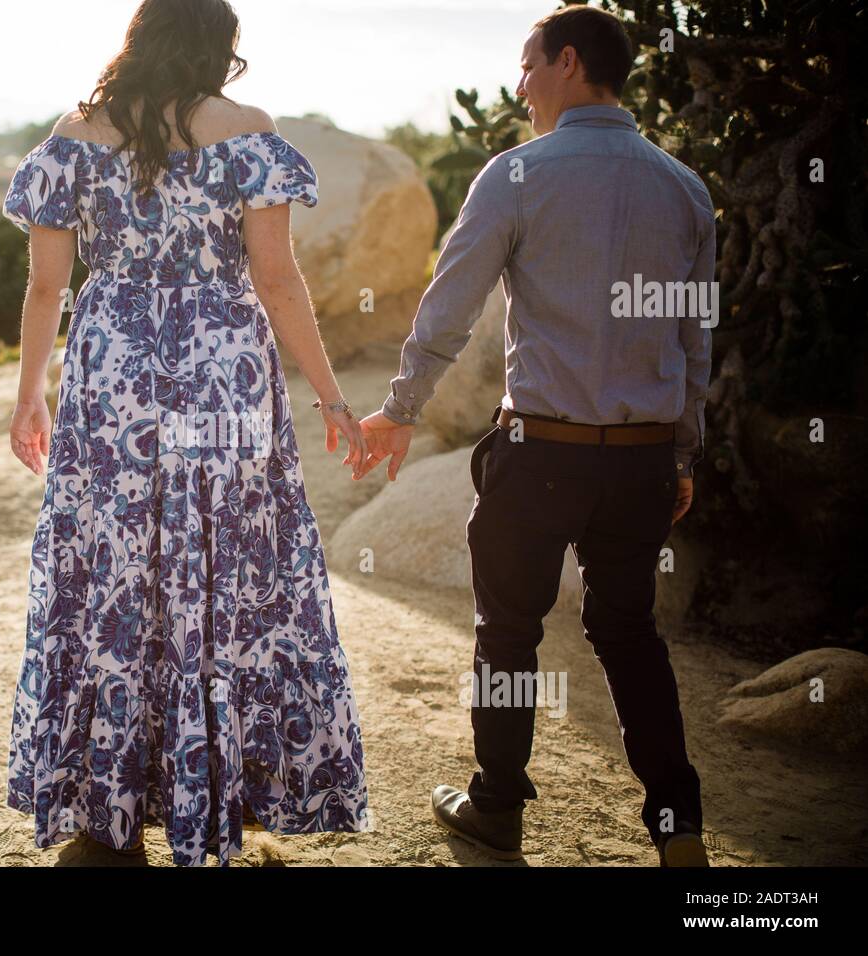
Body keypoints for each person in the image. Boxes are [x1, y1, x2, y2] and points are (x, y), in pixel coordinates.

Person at [2, 0, 370, 867]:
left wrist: (29, 395)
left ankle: (109, 811)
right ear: (219, 43)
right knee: (224, 567)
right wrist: (330, 396)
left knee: (116, 570)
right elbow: (277, 280)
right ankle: (219, 801)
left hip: (111, 376)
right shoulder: (246, 132)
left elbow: (46, 288)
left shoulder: (77, 133)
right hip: (222, 372)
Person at [359, 4, 714, 867]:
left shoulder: (516, 175)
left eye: (526, 66)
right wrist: (682, 452)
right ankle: (681, 834)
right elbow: (694, 339)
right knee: (630, 635)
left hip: (541, 453)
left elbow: (449, 307)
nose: (519, 87)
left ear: (566, 62)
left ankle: (496, 809)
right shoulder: (684, 187)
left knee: (508, 633)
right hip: (639, 459)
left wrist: (401, 409)